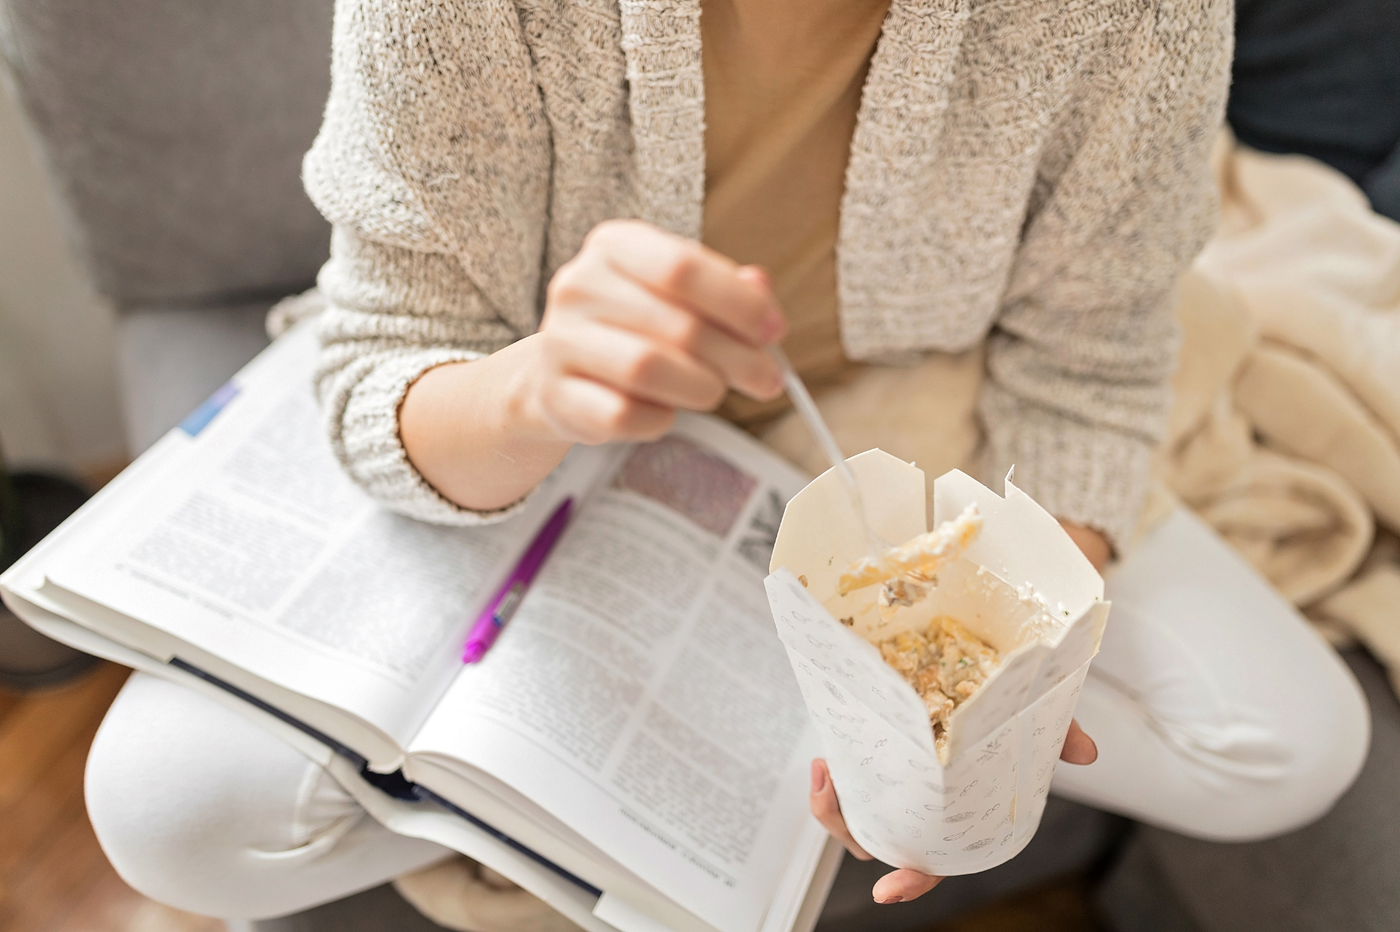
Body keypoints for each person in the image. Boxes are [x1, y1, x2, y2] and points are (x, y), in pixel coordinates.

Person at [84, 0, 1370, 922]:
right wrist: (541, 383)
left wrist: (975, 688)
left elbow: (1090, 359)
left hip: (914, 395)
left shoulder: (1126, 17)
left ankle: (711, 761)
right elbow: (388, 362)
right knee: (166, 808)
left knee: (1290, 745)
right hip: (534, 414)